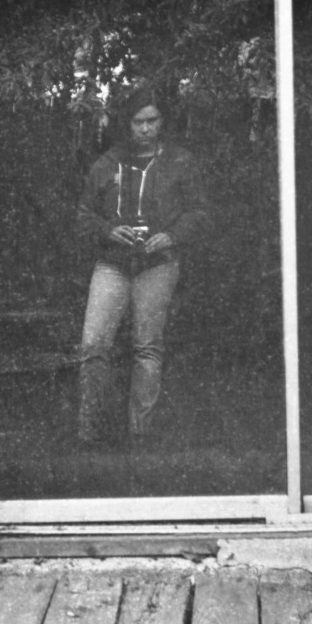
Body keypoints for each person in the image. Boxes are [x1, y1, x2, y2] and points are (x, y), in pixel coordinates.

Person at [75, 86, 211, 446]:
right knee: (93, 344)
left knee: (147, 346)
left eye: (152, 121)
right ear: (127, 124)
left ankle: (141, 434)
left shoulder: (180, 162)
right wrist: (108, 230)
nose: (146, 129)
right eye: (138, 122)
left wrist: (172, 235)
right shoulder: (107, 164)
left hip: (158, 264)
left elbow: (200, 213)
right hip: (113, 264)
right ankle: (91, 433)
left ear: (162, 122)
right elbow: (83, 216)